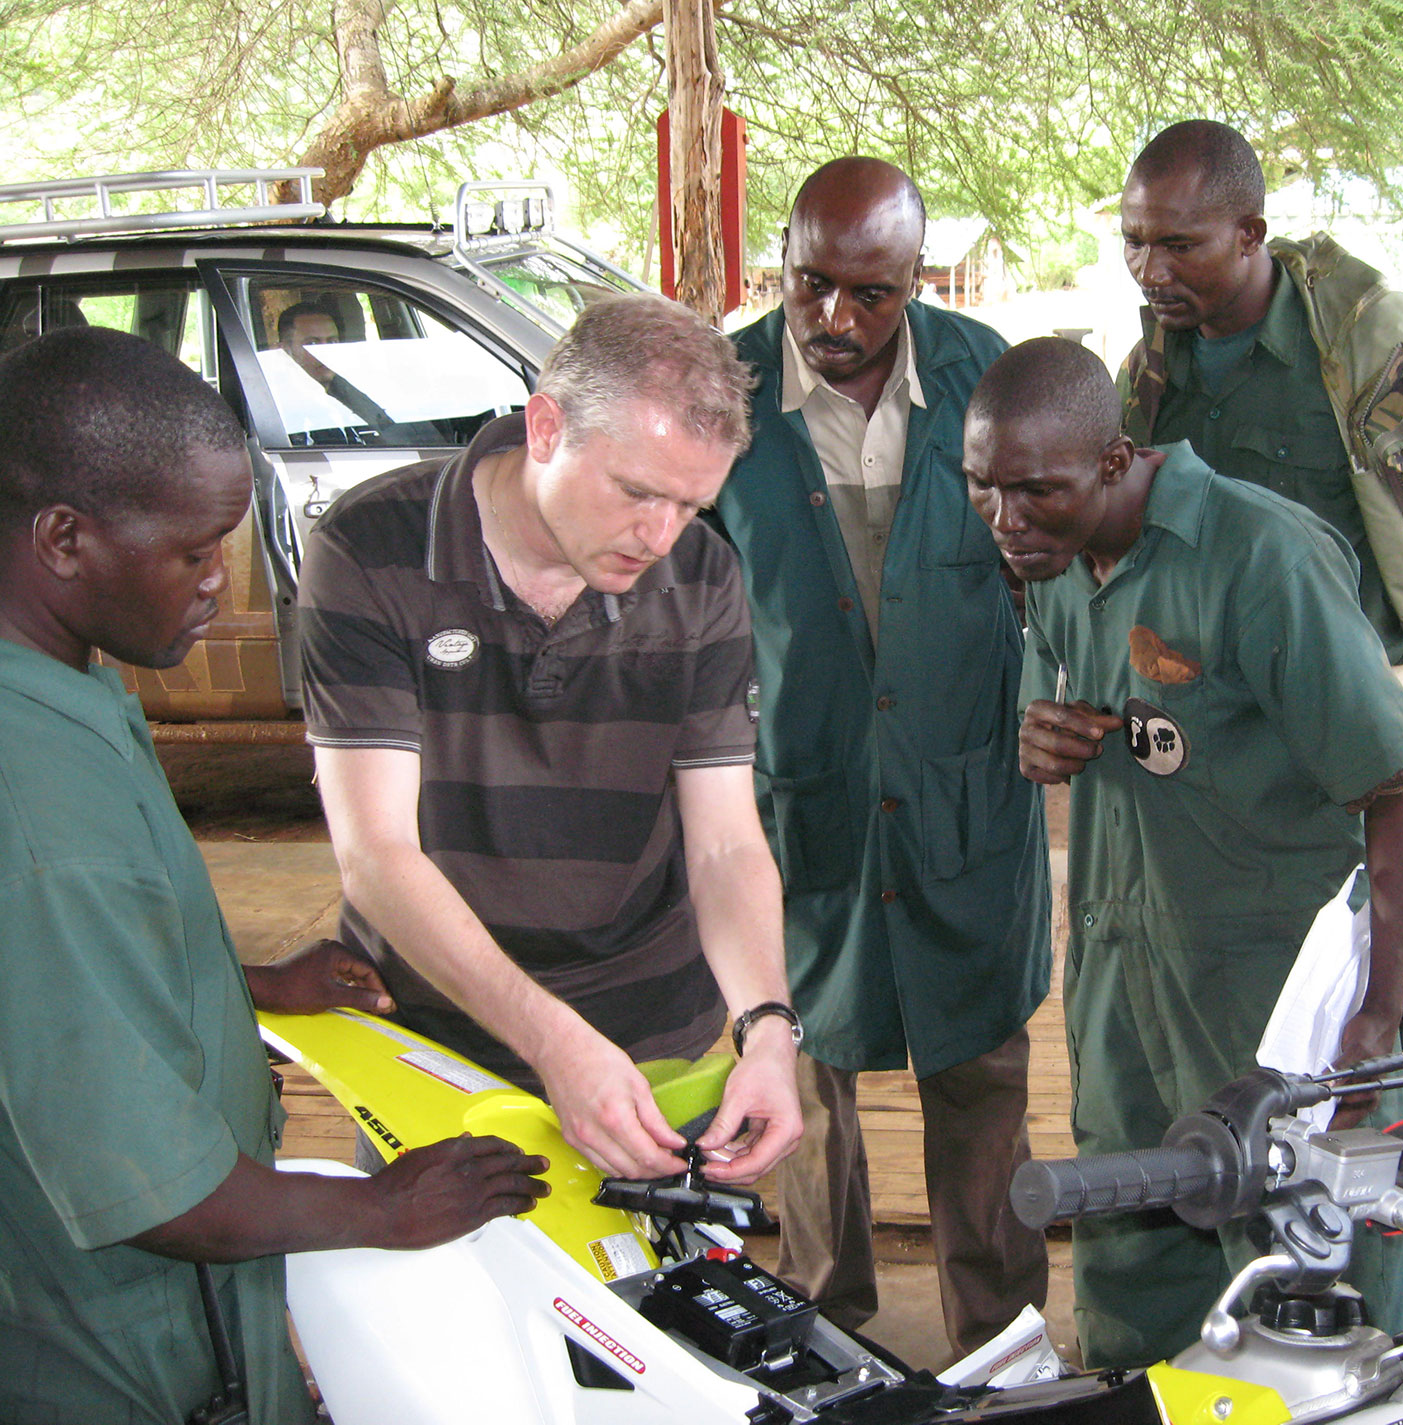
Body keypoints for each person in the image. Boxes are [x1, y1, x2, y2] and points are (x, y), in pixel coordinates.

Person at [0, 326, 548, 1424]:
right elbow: (161, 1194)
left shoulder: (64, 686)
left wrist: (240, 984)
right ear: (64, 539)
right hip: (126, 1352)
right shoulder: (37, 809)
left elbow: (60, 986)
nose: (219, 583)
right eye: (194, 551)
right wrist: (378, 1210)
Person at [966, 336, 1403, 1369]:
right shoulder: (1050, 560)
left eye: (1033, 492)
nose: (1005, 521)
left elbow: (1401, 787)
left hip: (1268, 998)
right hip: (1125, 977)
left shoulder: (1258, 554)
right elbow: (1050, 681)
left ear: (1112, 461)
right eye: (980, 490)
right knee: (1133, 1275)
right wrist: (1035, 729)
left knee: (1312, 1284)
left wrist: (1377, 1012)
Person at [296, 293, 802, 1187]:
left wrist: (765, 1027)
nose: (660, 536)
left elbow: (724, 841)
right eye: (637, 492)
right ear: (543, 427)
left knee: (647, 1316)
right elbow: (375, 855)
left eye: (692, 503)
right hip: (442, 1045)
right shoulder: (370, 549)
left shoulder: (702, 576)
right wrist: (552, 1042)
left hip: (656, 1049)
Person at [1116, 120, 1403, 1098]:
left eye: (1177, 243)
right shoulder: (1152, 366)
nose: (1149, 268)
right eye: (1134, 240)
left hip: (1347, 752)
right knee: (1222, 1027)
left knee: (1358, 1036)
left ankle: (1355, 1237)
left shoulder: (1364, 357)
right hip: (1208, 742)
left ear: (1248, 232)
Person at [715, 157, 1050, 1353]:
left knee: (982, 1078)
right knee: (798, 1075)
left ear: (918, 275)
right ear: (783, 262)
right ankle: (822, 1334)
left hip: (965, 790)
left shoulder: (985, 374)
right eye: (811, 287)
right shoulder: (723, 389)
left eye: (871, 293)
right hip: (796, 796)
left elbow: (1060, 566)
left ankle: (999, 1345)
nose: (836, 322)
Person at [275, 300, 391, 428]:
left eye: (332, 342)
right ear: (286, 350)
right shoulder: (280, 408)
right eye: (312, 344)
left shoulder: (354, 393)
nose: (326, 353)